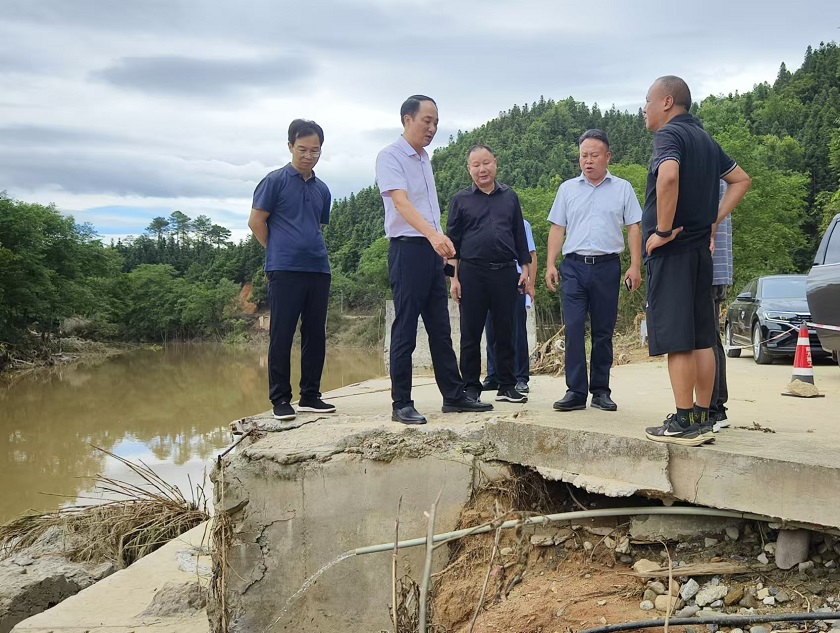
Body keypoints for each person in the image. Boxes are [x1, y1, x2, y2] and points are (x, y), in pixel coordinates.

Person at [641, 76, 751, 445]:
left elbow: (668, 176)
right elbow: (741, 180)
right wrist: (712, 220)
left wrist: (663, 229)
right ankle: (704, 417)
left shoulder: (669, 136)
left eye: (648, 101)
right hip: (701, 253)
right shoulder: (706, 140)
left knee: (678, 339)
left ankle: (684, 419)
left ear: (667, 102)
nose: (645, 109)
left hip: (673, 252)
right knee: (704, 336)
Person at [375, 95, 492, 425]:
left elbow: (428, 208)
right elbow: (402, 204)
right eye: (426, 120)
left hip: (429, 251)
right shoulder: (391, 156)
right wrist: (434, 235)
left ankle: (453, 396)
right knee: (406, 329)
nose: (432, 128)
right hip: (407, 249)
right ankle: (401, 403)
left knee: (441, 328)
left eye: (436, 122)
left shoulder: (424, 158)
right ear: (407, 119)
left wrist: (440, 244)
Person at [545, 129, 643, 412]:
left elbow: (634, 227)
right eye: (583, 156)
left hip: (607, 267)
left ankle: (600, 390)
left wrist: (634, 266)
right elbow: (557, 228)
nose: (588, 161)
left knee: (603, 331)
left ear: (607, 157)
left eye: (594, 155)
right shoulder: (567, 189)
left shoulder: (623, 188)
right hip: (573, 267)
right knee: (574, 329)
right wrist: (551, 263)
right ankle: (575, 391)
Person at [248, 119, 336, 421]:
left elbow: (316, 226)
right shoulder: (274, 181)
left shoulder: (322, 189)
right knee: (282, 335)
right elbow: (256, 222)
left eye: (315, 150)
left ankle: (311, 395)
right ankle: (281, 399)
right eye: (302, 149)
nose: (309, 155)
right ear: (289, 147)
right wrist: (276, 250)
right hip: (284, 270)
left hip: (318, 268)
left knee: (315, 334)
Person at [447, 145, 532, 404]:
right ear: (469, 169)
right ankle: (471, 386)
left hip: (506, 271)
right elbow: (452, 244)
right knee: (470, 332)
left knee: (505, 331)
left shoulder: (510, 197)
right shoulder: (460, 200)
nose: (482, 169)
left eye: (486, 163)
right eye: (476, 165)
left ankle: (507, 385)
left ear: (495, 163)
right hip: (472, 273)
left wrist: (525, 270)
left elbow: (519, 234)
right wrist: (453, 278)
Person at [482, 219, 537, 394]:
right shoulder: (483, 221)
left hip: (516, 278)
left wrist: (531, 284)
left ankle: (520, 377)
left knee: (517, 329)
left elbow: (531, 255)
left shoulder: (521, 224)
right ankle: (493, 374)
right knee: (491, 328)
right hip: (488, 277)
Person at [710, 181, 732, 430]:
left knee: (706, 340)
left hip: (709, 270)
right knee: (711, 338)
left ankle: (713, 407)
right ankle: (717, 406)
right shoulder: (719, 178)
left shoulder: (710, 177)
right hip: (716, 269)